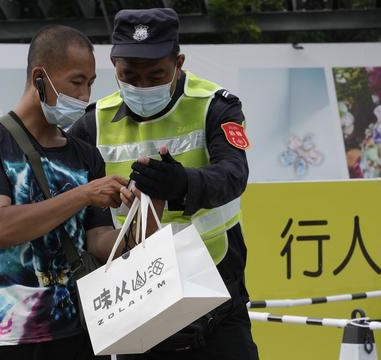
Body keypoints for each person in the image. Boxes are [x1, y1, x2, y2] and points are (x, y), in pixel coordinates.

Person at [69, 8, 259, 360]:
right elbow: (76, 205)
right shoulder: (91, 124)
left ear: (179, 62)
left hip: (217, 291)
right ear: (113, 65)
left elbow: (235, 174)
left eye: (156, 75)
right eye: (130, 76)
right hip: (138, 295)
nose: (142, 86)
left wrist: (182, 184)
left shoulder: (215, 106)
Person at [0, 25, 154, 360]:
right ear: (39, 77)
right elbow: (1, 227)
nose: (85, 95)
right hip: (13, 337)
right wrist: (84, 194)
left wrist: (139, 221)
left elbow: (97, 238)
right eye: (76, 81)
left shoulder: (85, 154)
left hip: (83, 332)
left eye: (91, 83)